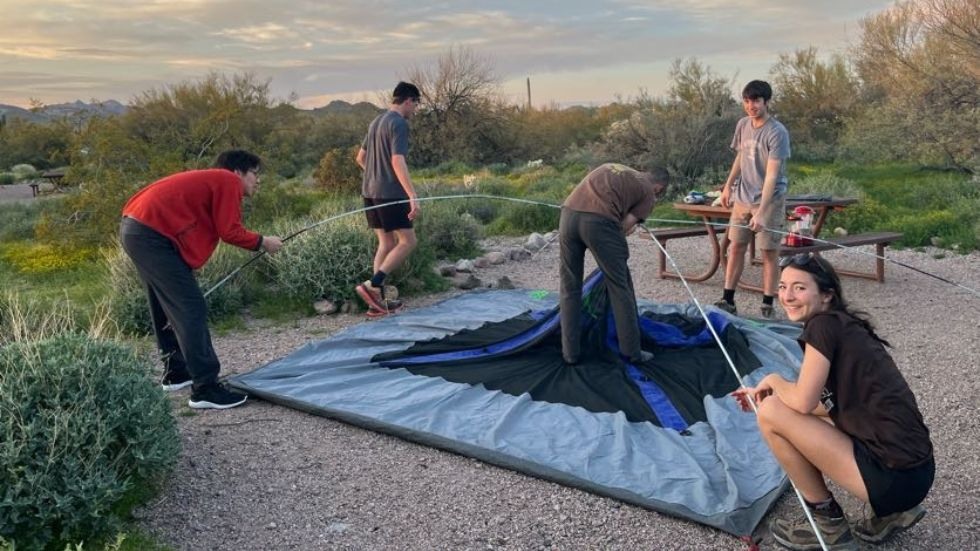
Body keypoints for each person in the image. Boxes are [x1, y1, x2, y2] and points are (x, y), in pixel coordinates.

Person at [732, 254, 934, 550]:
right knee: (777, 406)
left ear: (827, 295)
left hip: (893, 479)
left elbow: (802, 402)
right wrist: (770, 396)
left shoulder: (823, 326)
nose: (787, 296)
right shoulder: (846, 326)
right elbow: (826, 407)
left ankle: (829, 527)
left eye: (799, 288)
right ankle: (892, 514)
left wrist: (773, 381)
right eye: (783, 286)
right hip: (918, 475)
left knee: (771, 412)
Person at [120, 150, 283, 409]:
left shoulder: (213, 180)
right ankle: (205, 389)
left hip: (137, 229)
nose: (257, 180)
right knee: (190, 307)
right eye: (255, 173)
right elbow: (229, 231)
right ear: (238, 172)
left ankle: (177, 373)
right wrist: (263, 242)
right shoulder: (227, 180)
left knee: (165, 307)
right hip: (151, 234)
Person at [559, 163, 668, 365]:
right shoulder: (648, 193)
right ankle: (632, 352)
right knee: (620, 286)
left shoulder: (614, 168)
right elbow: (623, 227)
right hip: (598, 223)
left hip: (567, 215)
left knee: (569, 286)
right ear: (658, 188)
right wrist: (630, 229)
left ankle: (570, 353)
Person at [715, 80, 791, 318]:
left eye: (756, 101)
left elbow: (772, 175)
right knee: (735, 246)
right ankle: (728, 299)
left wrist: (761, 212)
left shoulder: (777, 132)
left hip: (769, 199)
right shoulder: (742, 125)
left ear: (766, 102)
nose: (751, 106)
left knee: (768, 251)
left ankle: (768, 304)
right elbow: (740, 156)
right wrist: (727, 187)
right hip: (742, 197)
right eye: (747, 101)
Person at [354, 81, 422, 316]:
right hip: (391, 194)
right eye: (416, 104)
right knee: (408, 242)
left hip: (370, 192)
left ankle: (377, 303)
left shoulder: (375, 122)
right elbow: (397, 160)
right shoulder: (399, 124)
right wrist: (412, 195)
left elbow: (360, 158)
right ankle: (373, 285)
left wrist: (375, 176)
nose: (415, 109)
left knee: (387, 243)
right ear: (408, 100)